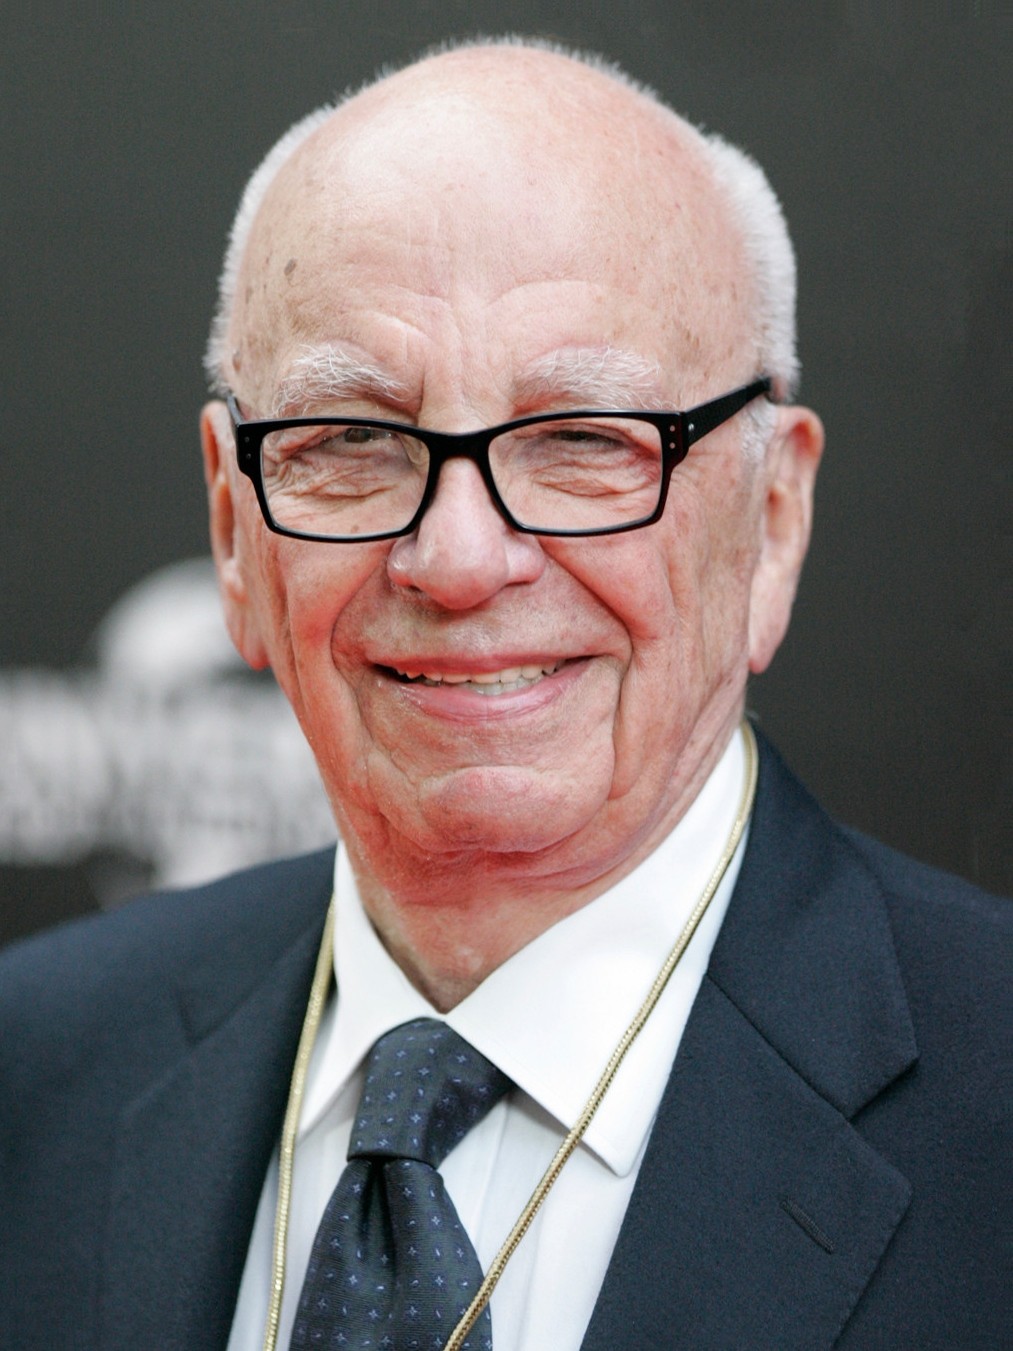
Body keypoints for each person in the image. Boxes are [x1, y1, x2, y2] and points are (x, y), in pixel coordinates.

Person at [1, 39, 1007, 1351]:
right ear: (234, 534)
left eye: (582, 440)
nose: (460, 559)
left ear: (771, 519)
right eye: (352, 440)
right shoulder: (33, 1071)